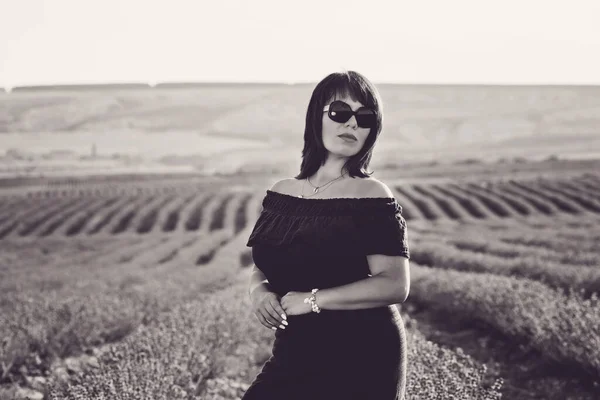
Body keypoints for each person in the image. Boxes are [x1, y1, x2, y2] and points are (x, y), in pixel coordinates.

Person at [243, 70, 411, 400]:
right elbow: (264, 265)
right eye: (340, 112)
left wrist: (313, 300)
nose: (352, 125)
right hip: (295, 351)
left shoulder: (371, 195)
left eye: (364, 118)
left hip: (362, 353)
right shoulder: (282, 193)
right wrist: (259, 293)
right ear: (316, 116)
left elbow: (394, 283)